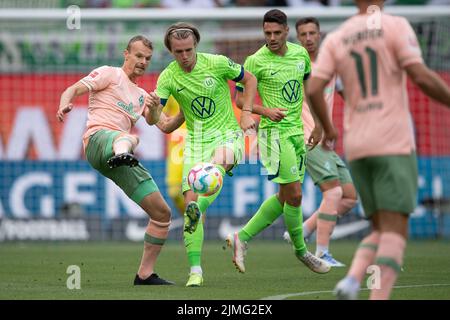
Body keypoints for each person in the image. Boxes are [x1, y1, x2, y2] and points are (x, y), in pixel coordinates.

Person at [307, 0, 450, 299]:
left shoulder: (337, 36)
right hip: (393, 140)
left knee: (379, 228)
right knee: (396, 231)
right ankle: (376, 295)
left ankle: (353, 279)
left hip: (358, 145)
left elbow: (313, 88)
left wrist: (328, 128)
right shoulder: (395, 25)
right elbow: (421, 76)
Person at [57, 35, 174, 286]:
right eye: (139, 56)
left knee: (162, 214)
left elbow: (161, 124)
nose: (143, 62)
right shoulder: (109, 74)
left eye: (148, 58)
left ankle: (144, 275)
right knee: (130, 138)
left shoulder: (142, 95)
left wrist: (177, 109)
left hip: (120, 154)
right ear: (126, 54)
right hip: (98, 141)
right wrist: (65, 104)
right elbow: (73, 89)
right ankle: (122, 153)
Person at [228, 9, 331, 275]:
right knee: (296, 194)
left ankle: (242, 237)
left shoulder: (300, 56)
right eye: (267, 33)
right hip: (273, 134)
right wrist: (265, 111)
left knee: (285, 196)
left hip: (297, 132)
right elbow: (240, 101)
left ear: (287, 31)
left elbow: (309, 92)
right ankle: (301, 251)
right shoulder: (254, 61)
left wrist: (319, 123)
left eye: (276, 33)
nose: (271, 38)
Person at [155, 22, 257, 287]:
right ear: (171, 51)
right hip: (195, 142)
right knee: (190, 199)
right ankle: (195, 271)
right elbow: (161, 121)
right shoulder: (168, 77)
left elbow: (249, 79)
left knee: (214, 169)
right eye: (179, 52)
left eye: (189, 49)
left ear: (196, 46)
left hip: (227, 136)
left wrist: (246, 113)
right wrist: (152, 111)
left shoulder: (217, 63)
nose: (185, 56)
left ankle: (196, 209)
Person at [282, 17, 358, 267]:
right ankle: (322, 252)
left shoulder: (330, 65)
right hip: (306, 137)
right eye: (303, 34)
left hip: (325, 139)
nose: (308, 38)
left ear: (320, 34)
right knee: (334, 192)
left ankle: (302, 230)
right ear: (297, 37)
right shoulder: (293, 65)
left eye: (312, 33)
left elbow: (346, 93)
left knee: (349, 197)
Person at [163, 97, 187, 215]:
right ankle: (190, 219)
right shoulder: (170, 81)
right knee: (174, 192)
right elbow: (161, 114)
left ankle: (196, 227)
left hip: (196, 148)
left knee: (194, 195)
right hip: (176, 152)